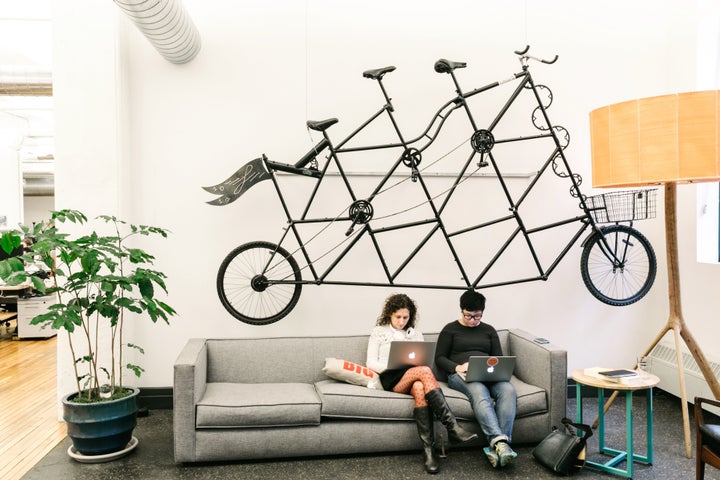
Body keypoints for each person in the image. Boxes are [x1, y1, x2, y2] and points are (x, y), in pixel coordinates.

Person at [367, 293, 477, 474]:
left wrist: (408, 344)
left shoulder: (415, 333)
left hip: (413, 377)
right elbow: (370, 362)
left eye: (406, 317)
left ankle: (428, 451)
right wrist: (393, 365)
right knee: (425, 371)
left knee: (419, 386)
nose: (402, 321)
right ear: (389, 314)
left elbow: (422, 360)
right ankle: (453, 427)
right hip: (390, 378)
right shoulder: (379, 332)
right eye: (398, 317)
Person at [434, 290, 518, 469]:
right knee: (478, 390)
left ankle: (499, 447)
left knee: (508, 390)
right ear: (461, 310)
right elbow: (439, 358)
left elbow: (498, 358)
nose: (473, 320)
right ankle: (500, 443)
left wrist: (496, 370)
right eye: (468, 316)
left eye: (477, 317)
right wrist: (457, 367)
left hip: (489, 374)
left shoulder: (488, 330)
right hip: (460, 375)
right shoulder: (450, 329)